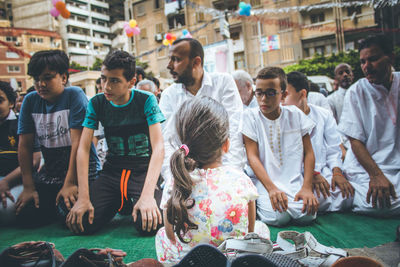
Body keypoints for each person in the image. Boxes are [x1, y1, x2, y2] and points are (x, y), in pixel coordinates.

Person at [156, 97, 269, 264]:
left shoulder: (176, 181)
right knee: (262, 229)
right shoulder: (240, 179)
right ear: (226, 144)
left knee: (160, 236)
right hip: (233, 258)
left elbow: (170, 235)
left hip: (188, 259)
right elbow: (249, 231)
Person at [66, 50, 165, 235]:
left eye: (114, 80)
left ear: (131, 82)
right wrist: (83, 197)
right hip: (113, 172)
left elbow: (159, 147)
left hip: (141, 171)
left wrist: (147, 195)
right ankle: (121, 202)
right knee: (82, 223)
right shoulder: (96, 102)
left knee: (150, 223)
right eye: (103, 79)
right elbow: (83, 149)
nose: (106, 86)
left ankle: (132, 200)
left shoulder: (146, 100)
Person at [15, 50, 100, 227]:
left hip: (82, 170)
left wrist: (70, 183)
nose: (41, 84)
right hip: (50, 174)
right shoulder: (30, 101)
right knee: (25, 215)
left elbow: (78, 144)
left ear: (63, 77)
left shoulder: (74, 96)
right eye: (36, 79)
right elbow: (25, 146)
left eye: (47, 77)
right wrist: (28, 186)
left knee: (74, 219)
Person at [159, 38, 244, 188]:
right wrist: (174, 182)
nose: (169, 66)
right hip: (184, 177)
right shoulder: (168, 95)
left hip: (222, 171)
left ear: (196, 62)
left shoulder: (223, 83)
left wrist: (230, 179)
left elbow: (234, 133)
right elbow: (167, 143)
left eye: (176, 59)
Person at [242, 67, 318, 226]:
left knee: (307, 214)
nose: (263, 99)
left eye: (270, 93)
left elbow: (309, 153)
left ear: (283, 95)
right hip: (264, 181)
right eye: (259, 92)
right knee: (277, 217)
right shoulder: (249, 117)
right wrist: (271, 189)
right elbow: (252, 156)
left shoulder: (295, 115)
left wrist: (306, 187)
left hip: (293, 181)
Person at [338, 35, 400, 216]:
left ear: (391, 57)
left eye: (373, 59)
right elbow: (355, 141)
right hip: (367, 169)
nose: (367, 66)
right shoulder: (356, 92)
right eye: (363, 61)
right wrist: (376, 175)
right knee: (376, 202)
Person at [284, 71, 354, 212]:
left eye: (285, 95)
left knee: (348, 195)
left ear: (302, 94)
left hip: (324, 172)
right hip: (294, 175)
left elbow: (334, 149)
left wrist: (337, 172)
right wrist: (312, 175)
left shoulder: (323, 115)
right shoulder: (282, 117)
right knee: (297, 203)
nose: (281, 100)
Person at [0, 81, 41, 225]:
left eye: (0, 101)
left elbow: (35, 160)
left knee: (8, 211)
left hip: (17, 181)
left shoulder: (20, 124)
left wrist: (6, 181)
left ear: (11, 103)